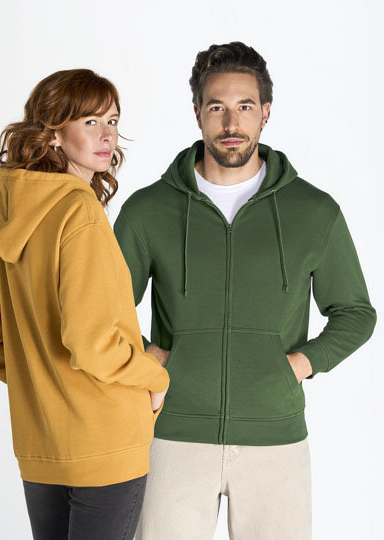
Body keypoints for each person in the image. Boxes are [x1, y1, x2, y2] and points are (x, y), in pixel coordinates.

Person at [113, 42, 377, 539]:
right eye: (217, 107)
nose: (231, 122)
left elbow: (355, 312)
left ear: (266, 113)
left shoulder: (313, 211)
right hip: (172, 435)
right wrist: (149, 356)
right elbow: (104, 309)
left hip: (276, 440)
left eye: (245, 107)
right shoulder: (149, 210)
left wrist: (300, 364)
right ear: (197, 112)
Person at [0, 68, 169, 540]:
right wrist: (154, 375)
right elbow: (92, 342)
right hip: (106, 443)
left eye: (112, 121)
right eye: (89, 122)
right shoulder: (79, 211)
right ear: (54, 133)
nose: (107, 135)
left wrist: (43, 385)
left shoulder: (15, 217)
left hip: (41, 444)